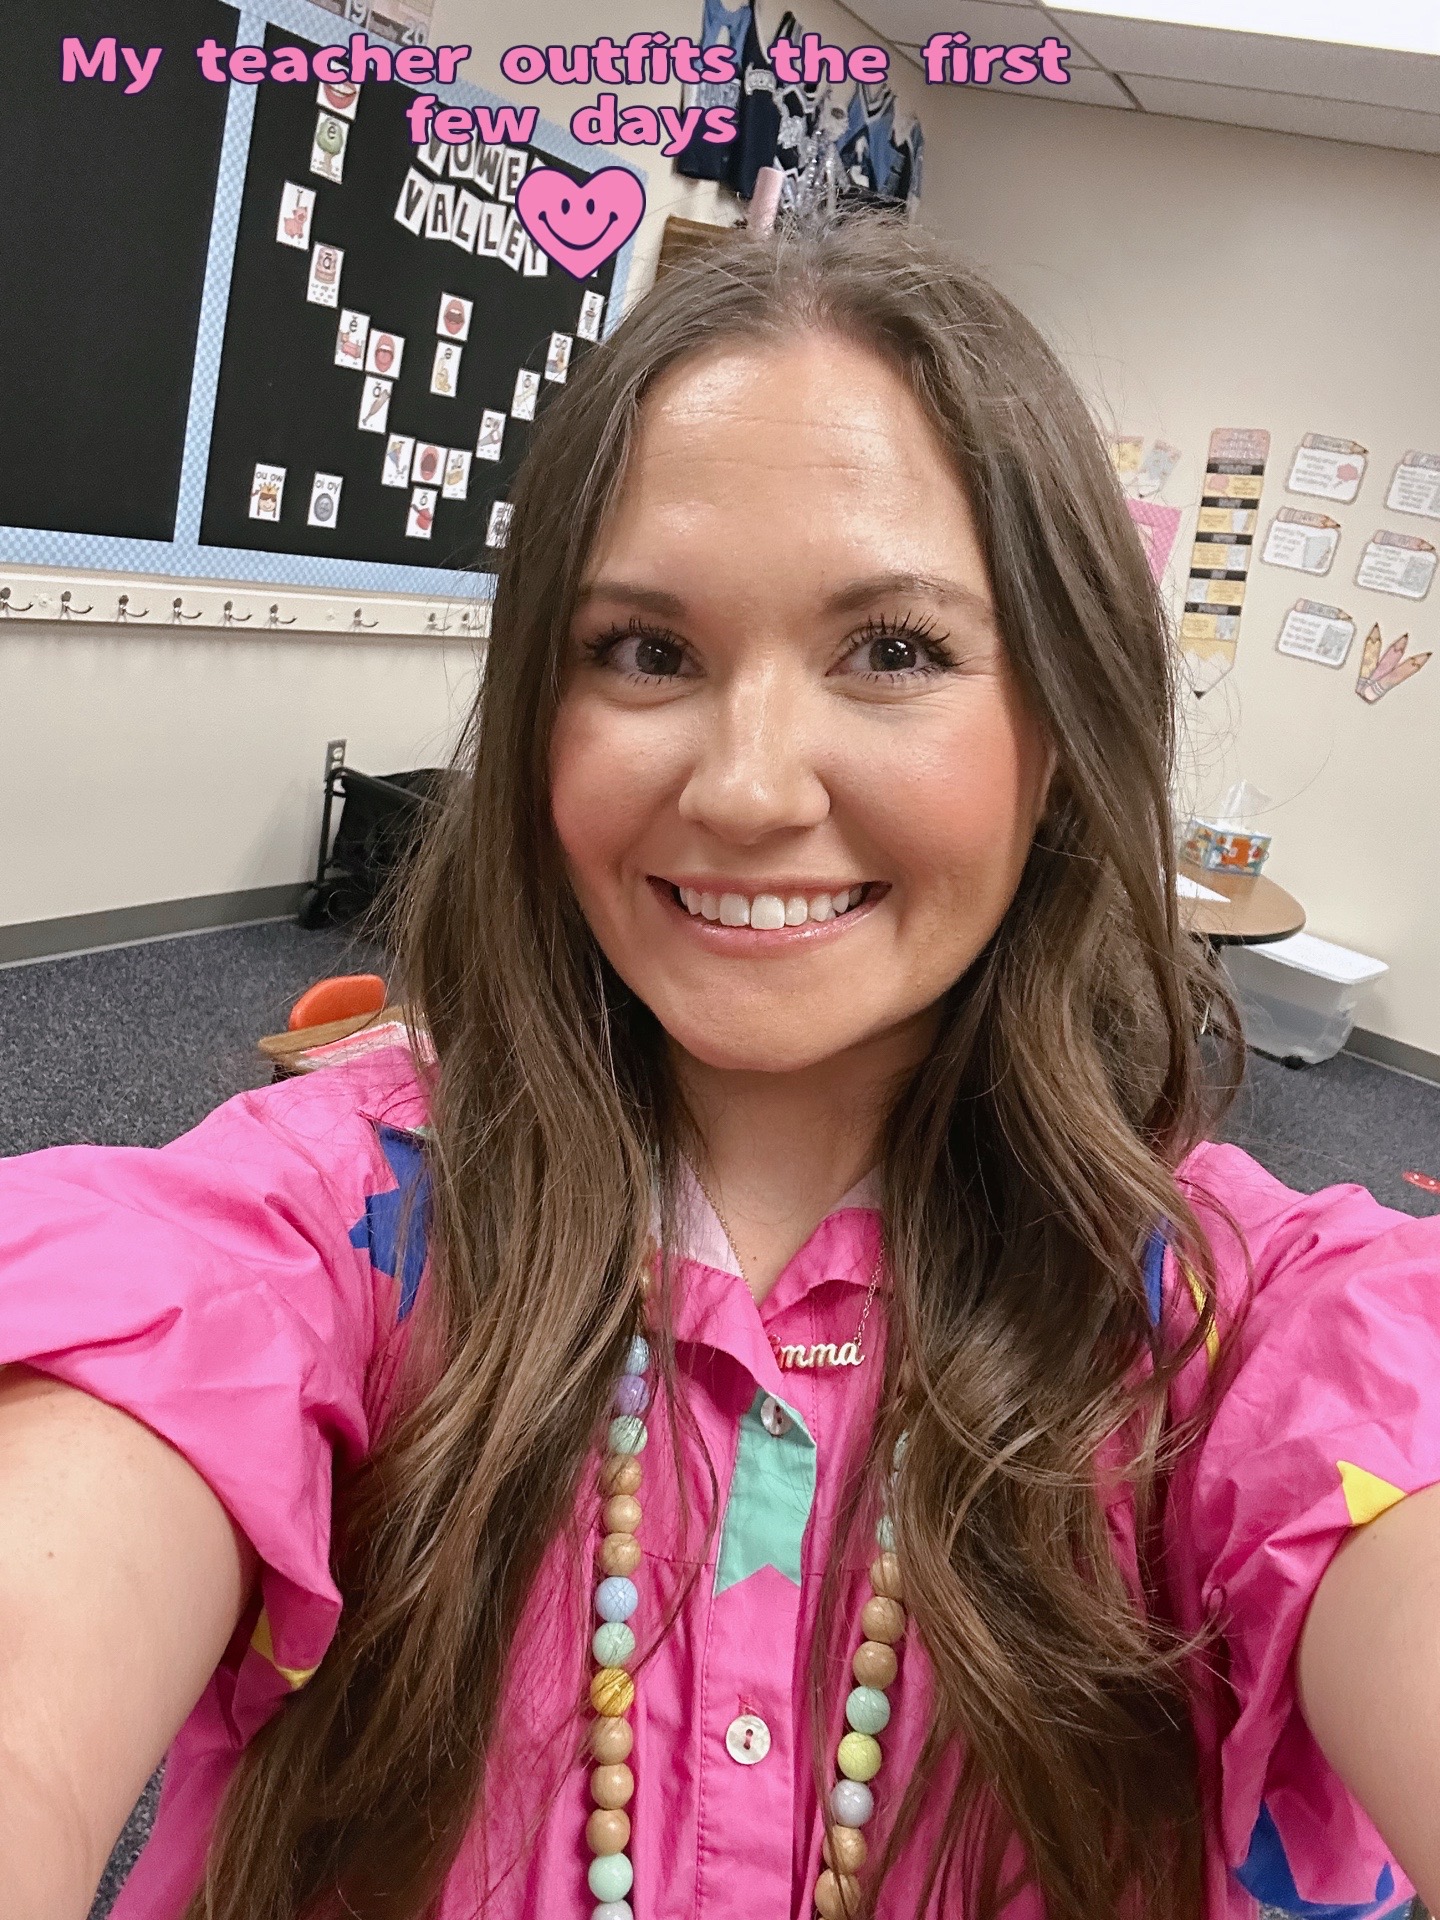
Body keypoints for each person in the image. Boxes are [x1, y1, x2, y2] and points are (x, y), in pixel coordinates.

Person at [0, 217, 1437, 1920]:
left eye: (892, 651)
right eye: (646, 651)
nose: (747, 789)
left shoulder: (1244, 1327)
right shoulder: (318, 1230)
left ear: (1058, 734)